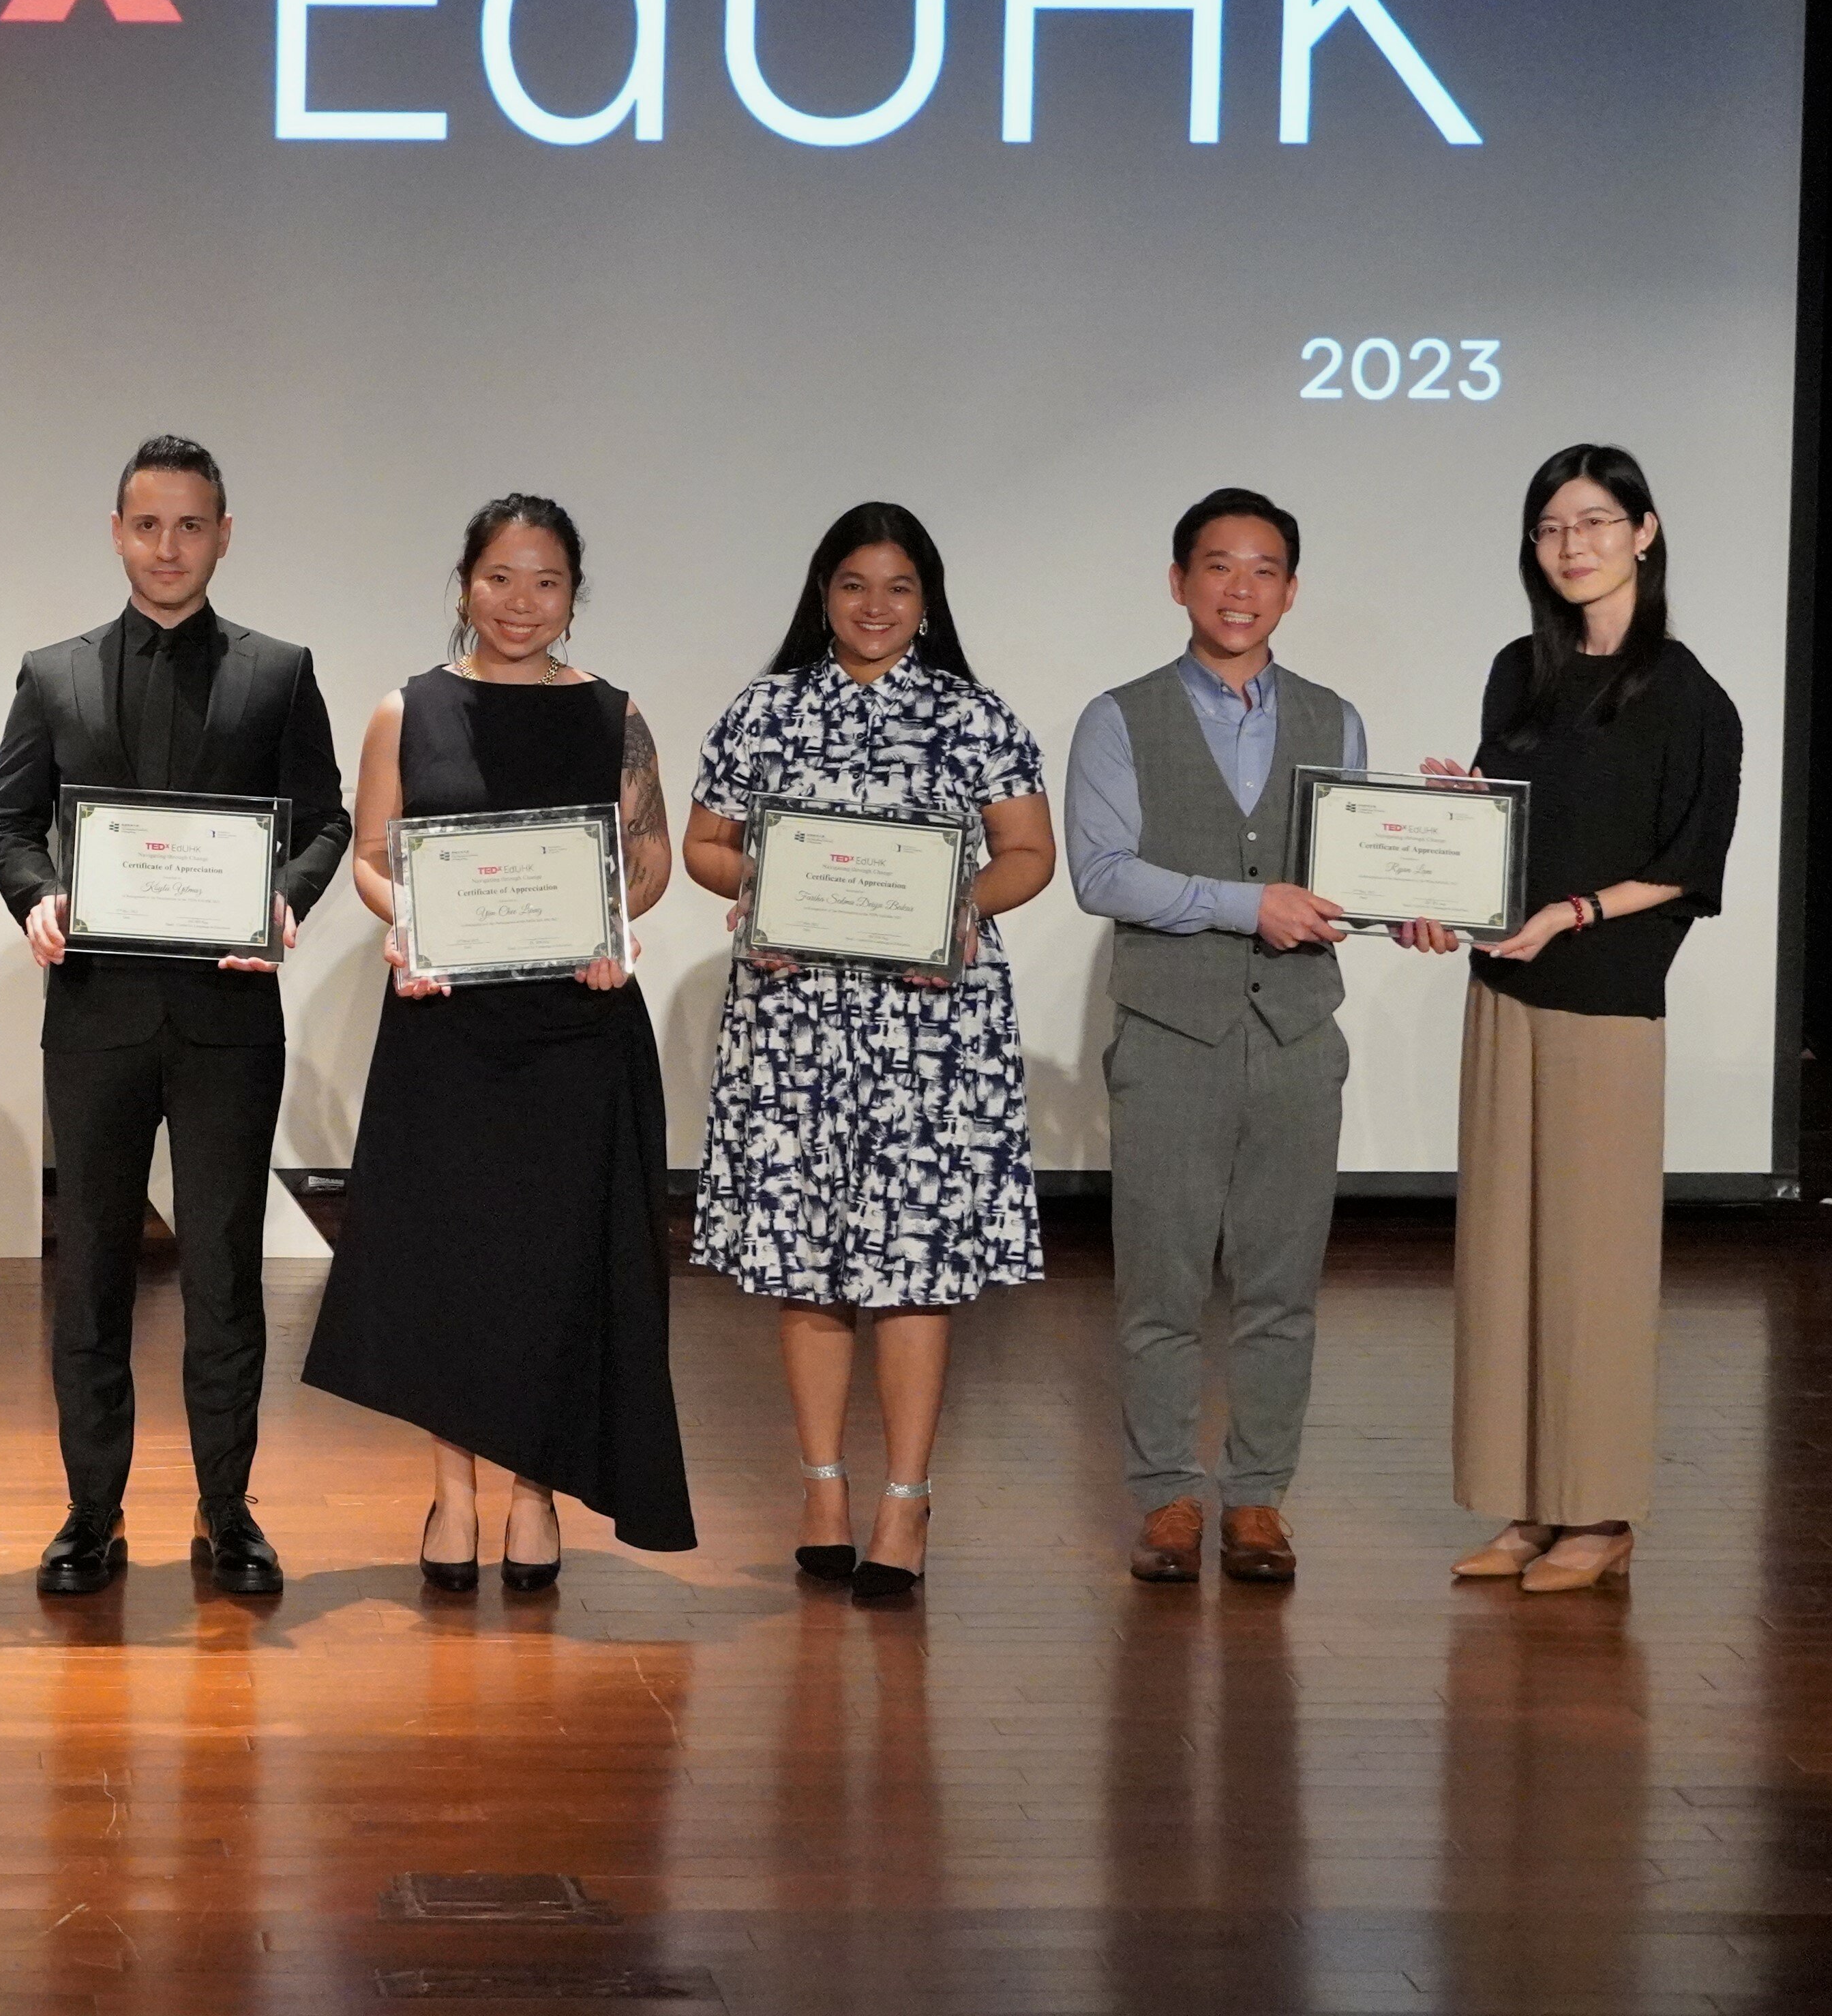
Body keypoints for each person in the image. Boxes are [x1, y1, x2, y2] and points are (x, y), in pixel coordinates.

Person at [0, 433, 352, 1597]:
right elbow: (8, 820)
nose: (169, 547)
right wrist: (38, 899)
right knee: (88, 1272)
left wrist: (285, 902)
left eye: (192, 526)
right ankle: (91, 1514)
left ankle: (226, 1507)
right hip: (94, 1019)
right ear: (118, 533)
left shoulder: (279, 672)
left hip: (228, 1020)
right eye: (148, 525)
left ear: (224, 536)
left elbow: (328, 821)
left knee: (223, 1277)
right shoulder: (55, 674)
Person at [301, 494, 692, 1591]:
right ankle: (454, 1494)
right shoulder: (406, 710)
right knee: (453, 1267)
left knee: (561, 1268)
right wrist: (409, 923)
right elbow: (376, 855)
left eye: (547, 583)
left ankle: (536, 1494)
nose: (522, 605)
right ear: (464, 582)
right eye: (500, 579)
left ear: (574, 593)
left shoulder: (615, 715)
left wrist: (619, 924)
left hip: (579, 1026)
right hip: (449, 1028)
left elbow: (649, 854)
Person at [680, 501, 1057, 1606]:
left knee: (913, 1268)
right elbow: (707, 841)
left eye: (897, 588)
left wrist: (956, 911)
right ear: (823, 594)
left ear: (927, 601)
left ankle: (906, 1499)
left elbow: (1026, 854)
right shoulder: (767, 707)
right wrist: (760, 892)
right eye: (853, 585)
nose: (875, 607)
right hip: (794, 1021)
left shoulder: (971, 714)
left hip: (931, 1028)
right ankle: (823, 1489)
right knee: (808, 1263)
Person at [1400, 442, 1741, 1595]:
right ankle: (1527, 1506)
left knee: (1590, 1268)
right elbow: (1514, 828)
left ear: (1644, 533)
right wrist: (1455, 843)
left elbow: (1689, 864)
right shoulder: (1519, 672)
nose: (1572, 546)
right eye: (1551, 527)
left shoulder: (1690, 696)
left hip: (1603, 1001)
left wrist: (1571, 914)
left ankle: (1598, 1515)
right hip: (1503, 990)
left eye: (1595, 522)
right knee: (1504, 1258)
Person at [1065, 487, 1370, 1589]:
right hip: (1169, 1031)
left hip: (1296, 1032)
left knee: (1284, 1284)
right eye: (1219, 566)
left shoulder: (1335, 717)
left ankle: (1256, 1500)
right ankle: (1164, 1500)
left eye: (1265, 570)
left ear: (1291, 589)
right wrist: (1246, 906)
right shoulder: (1118, 716)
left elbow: (1356, 872)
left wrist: (1429, 886)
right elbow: (1103, 874)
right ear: (1180, 580)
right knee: (1162, 1282)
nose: (1241, 590)